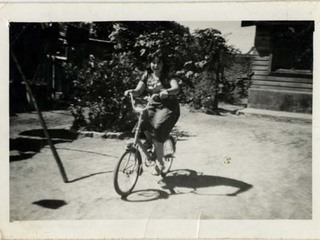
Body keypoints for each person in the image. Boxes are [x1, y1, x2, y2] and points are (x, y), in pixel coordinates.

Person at [124, 51, 180, 175]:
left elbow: (176, 89)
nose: (155, 65)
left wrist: (168, 91)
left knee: (158, 128)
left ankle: (160, 163)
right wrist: (131, 91)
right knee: (141, 123)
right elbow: (138, 91)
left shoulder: (168, 76)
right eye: (153, 62)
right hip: (152, 105)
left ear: (163, 64)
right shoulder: (146, 75)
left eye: (158, 62)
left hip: (168, 107)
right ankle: (150, 142)